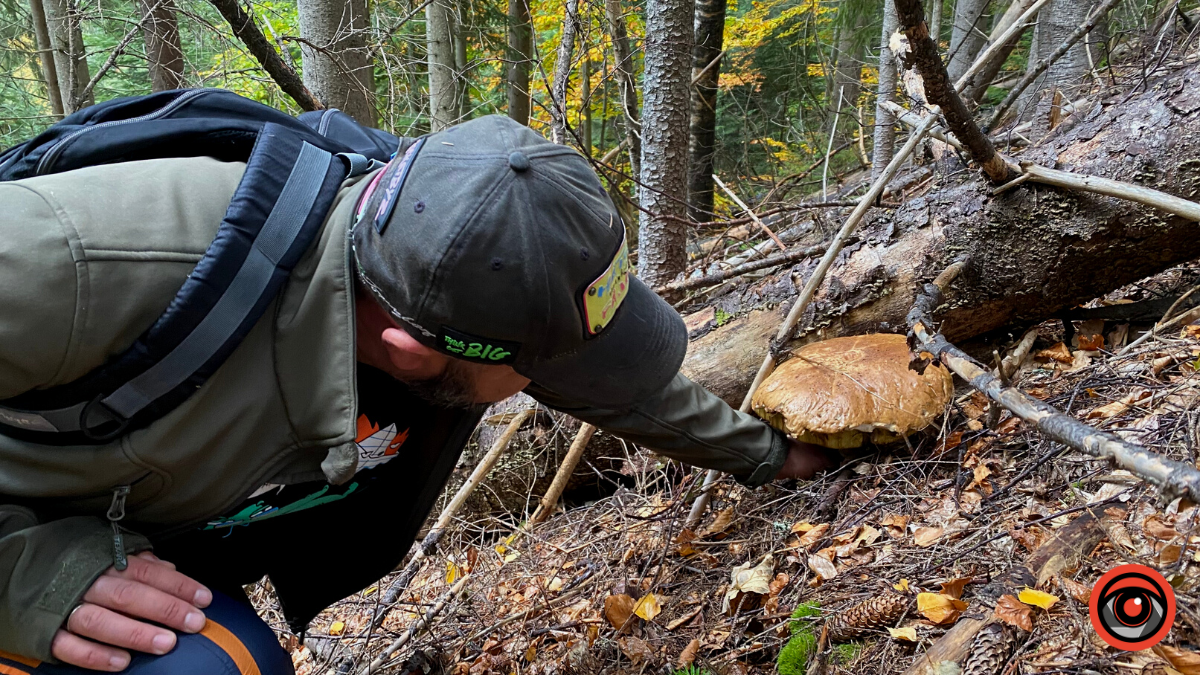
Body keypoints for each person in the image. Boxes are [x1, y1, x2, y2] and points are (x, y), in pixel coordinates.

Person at [0, 111, 836, 673]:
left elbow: (611, 389)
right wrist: (27, 576)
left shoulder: (449, 243)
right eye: (540, 371)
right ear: (410, 353)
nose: (560, 387)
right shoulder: (72, 261)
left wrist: (773, 455)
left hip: (143, 526)